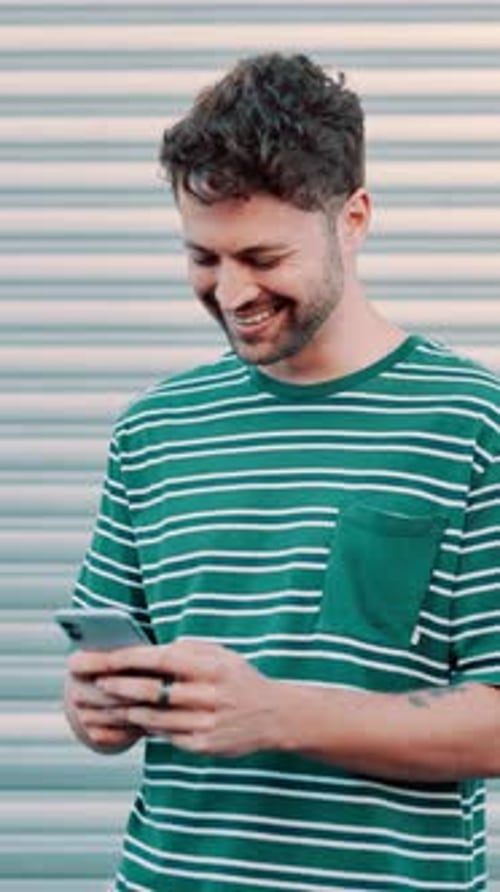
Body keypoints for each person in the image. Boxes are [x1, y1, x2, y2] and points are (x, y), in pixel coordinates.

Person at [64, 53, 500, 890]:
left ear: (353, 219)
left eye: (262, 256)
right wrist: (97, 710)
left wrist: (276, 712)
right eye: (203, 258)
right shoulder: (154, 428)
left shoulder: (473, 421)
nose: (232, 294)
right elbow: (108, 687)